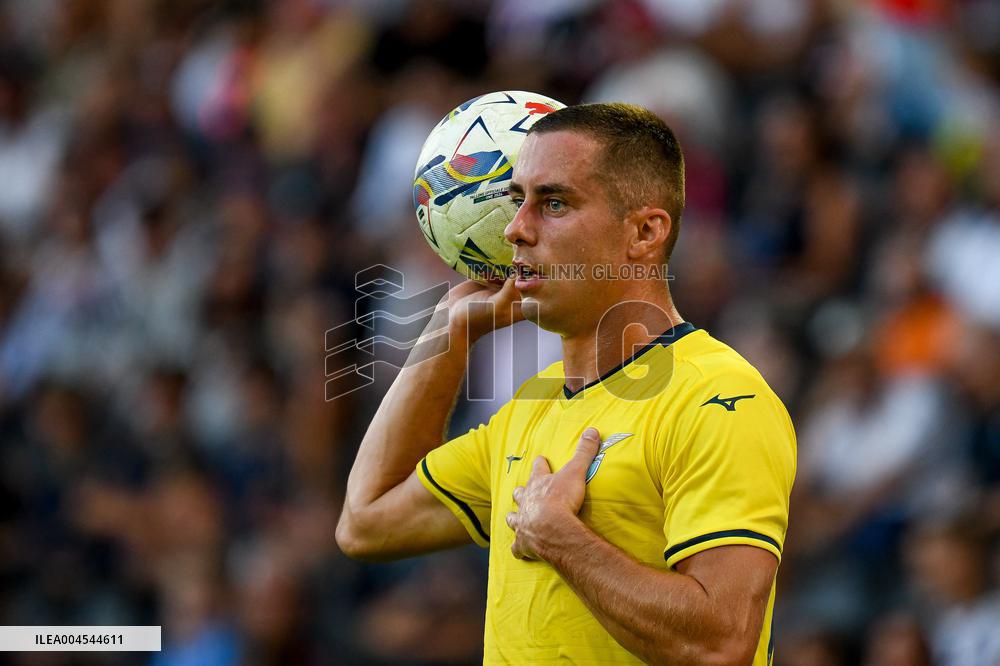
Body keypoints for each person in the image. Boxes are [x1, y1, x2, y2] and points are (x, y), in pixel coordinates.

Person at [337, 103, 796, 665]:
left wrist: (563, 541)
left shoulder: (718, 398)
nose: (514, 230)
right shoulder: (532, 405)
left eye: (553, 203)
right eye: (516, 201)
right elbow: (367, 521)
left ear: (645, 231)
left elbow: (719, 644)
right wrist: (448, 332)